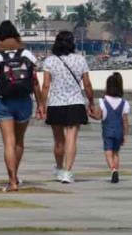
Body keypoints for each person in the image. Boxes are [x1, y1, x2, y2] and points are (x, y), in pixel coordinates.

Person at [0, 21, 43, 192]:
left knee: (9, 142)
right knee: (19, 141)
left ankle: (12, 181)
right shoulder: (27, 53)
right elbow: (35, 82)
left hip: (4, 102)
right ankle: (15, 175)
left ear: (0, 37)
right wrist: (41, 103)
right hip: (24, 101)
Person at [40, 30, 95, 184]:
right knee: (71, 138)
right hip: (75, 102)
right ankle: (67, 171)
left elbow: (45, 86)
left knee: (58, 140)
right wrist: (91, 102)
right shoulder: (80, 60)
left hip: (56, 103)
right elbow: (87, 84)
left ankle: (59, 168)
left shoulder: (50, 61)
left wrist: (41, 104)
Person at [89, 72, 130, 184]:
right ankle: (116, 169)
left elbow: (99, 116)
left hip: (107, 131)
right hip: (119, 131)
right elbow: (125, 120)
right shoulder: (124, 103)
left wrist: (91, 114)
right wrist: (125, 135)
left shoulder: (103, 102)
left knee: (108, 152)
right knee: (116, 152)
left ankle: (113, 169)